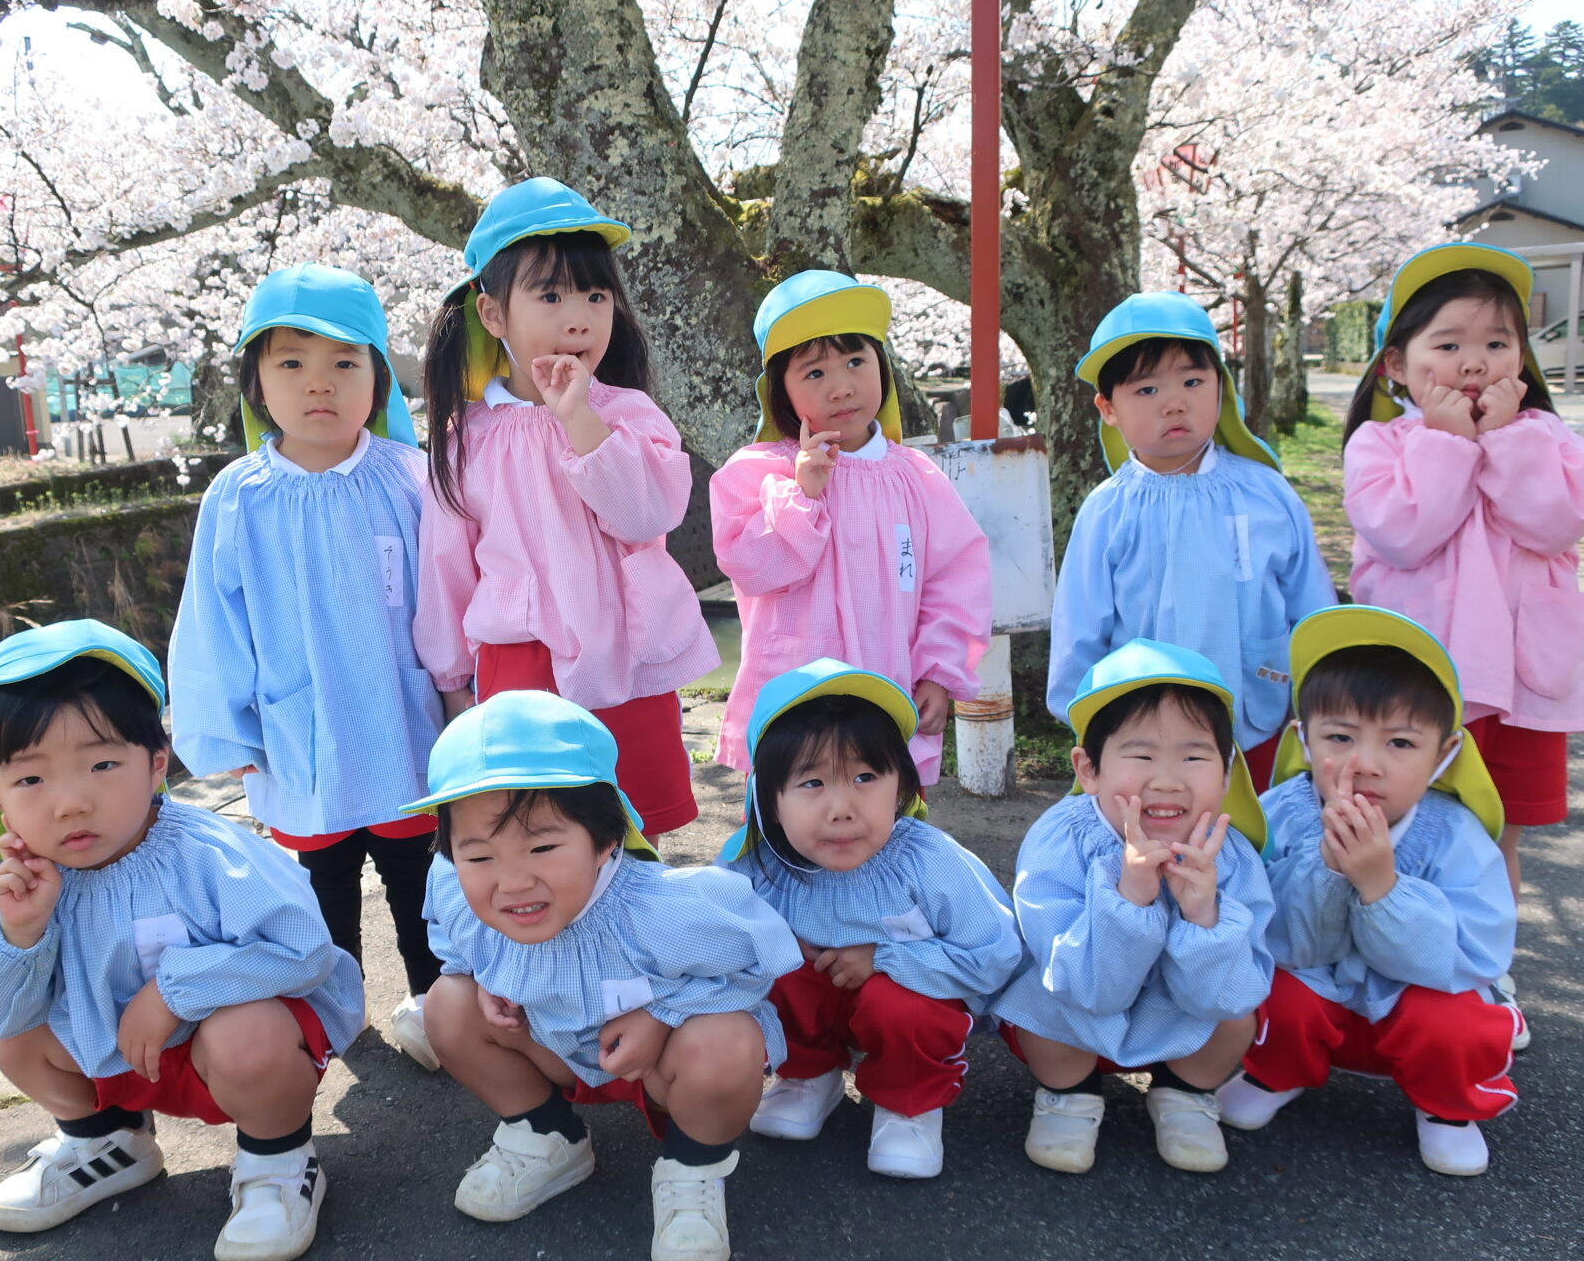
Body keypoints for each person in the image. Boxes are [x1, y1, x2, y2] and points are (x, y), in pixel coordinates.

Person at [0, 621, 363, 1261]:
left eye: (102, 765)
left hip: (223, 1057)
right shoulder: (14, 886)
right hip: (108, 1059)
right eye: (31, 780)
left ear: (156, 763)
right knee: (13, 1031)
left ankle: (277, 1160)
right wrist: (18, 932)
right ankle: (106, 1141)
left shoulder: (207, 854)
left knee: (247, 1034)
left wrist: (174, 991)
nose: (71, 804)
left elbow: (303, 948)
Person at [168, 263, 447, 1071]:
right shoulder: (238, 496)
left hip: (402, 720)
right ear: (256, 381)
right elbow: (212, 622)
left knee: (416, 871)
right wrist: (227, 731)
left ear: (378, 376)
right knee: (321, 877)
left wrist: (463, 698)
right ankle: (334, 1008)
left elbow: (450, 596)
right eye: (291, 362)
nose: (318, 384)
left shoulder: (412, 479)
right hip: (299, 727)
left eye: (344, 362)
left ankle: (436, 1004)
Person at [1341, 242, 1584, 1042]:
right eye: (1449, 343)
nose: (1475, 363)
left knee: (1499, 834)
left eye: (1498, 343)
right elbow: (1406, 532)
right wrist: (1448, 441)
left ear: (1523, 359)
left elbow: (1553, 520)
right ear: (1396, 365)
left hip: (1523, 687)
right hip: (1420, 693)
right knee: (1402, 824)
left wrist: (1505, 440)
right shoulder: (1382, 445)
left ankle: (1486, 968)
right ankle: (1378, 962)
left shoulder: (1545, 439)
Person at [413, 691, 799, 1261]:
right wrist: (485, 974)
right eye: (479, 856)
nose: (512, 882)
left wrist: (663, 1016)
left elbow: (758, 958)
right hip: (550, 1047)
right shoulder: (453, 883)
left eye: (543, 846)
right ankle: (546, 1136)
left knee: (728, 1041)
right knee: (448, 1004)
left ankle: (692, 1169)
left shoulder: (665, 909)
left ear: (606, 838)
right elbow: (450, 930)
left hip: (662, 1067)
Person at [414, 177, 718, 843]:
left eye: (596, 295)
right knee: (541, 836)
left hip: (627, 654)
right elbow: (445, 567)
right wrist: (452, 679)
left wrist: (580, 419)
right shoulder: (467, 438)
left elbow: (646, 515)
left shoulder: (629, 414)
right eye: (550, 296)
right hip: (521, 664)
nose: (578, 317)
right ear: (493, 314)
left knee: (634, 834)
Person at [1218, 605, 1519, 1177]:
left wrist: (1382, 887)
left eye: (1401, 743)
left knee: (1454, 1020)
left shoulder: (1456, 837)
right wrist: (1327, 870)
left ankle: (1447, 1107)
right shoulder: (1279, 815)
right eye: (1339, 737)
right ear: (1305, 741)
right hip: (1318, 991)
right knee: (1260, 984)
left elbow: (1474, 956)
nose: (1367, 765)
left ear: (1444, 754)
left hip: (1414, 1005)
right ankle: (1274, 1072)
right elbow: (1267, 938)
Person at [719, 659, 1021, 1179]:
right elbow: (708, 942)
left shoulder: (927, 861)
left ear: (900, 786)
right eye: (812, 782)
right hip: (817, 1008)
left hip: (902, 1010)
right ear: (768, 799)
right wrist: (773, 942)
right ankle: (807, 1075)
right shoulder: (754, 868)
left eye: (865, 777)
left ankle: (910, 1104)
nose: (842, 808)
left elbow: (995, 956)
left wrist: (885, 959)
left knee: (902, 1003)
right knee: (776, 968)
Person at [995, 639, 1274, 1175]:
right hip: (1077, 1005)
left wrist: (1203, 917)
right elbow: (1077, 982)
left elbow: (1232, 992)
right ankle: (1068, 1095)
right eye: (1142, 755)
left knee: (1238, 1016)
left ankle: (1185, 1092)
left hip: (1182, 1015)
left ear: (1226, 772)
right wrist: (1129, 901)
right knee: (1039, 996)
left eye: (1194, 756)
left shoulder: (1232, 856)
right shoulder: (1060, 843)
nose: (1167, 779)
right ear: (1089, 769)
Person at [709, 270, 991, 786]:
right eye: (814, 373)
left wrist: (938, 671)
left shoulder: (916, 478)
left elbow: (955, 581)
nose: (842, 387)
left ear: (882, 366)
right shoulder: (760, 473)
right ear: (780, 391)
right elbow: (751, 569)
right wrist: (802, 496)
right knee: (790, 819)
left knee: (884, 818)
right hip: (793, 702)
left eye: (856, 362)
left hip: (888, 694)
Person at [1048, 291, 1336, 790]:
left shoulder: (1266, 493)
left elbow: (1311, 605)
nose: (1175, 402)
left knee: (1260, 830)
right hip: (1147, 742)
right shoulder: (1108, 511)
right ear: (1108, 407)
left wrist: (1323, 699)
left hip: (1258, 724)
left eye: (1193, 381)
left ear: (1221, 386)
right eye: (1146, 389)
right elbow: (1080, 627)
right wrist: (1087, 718)